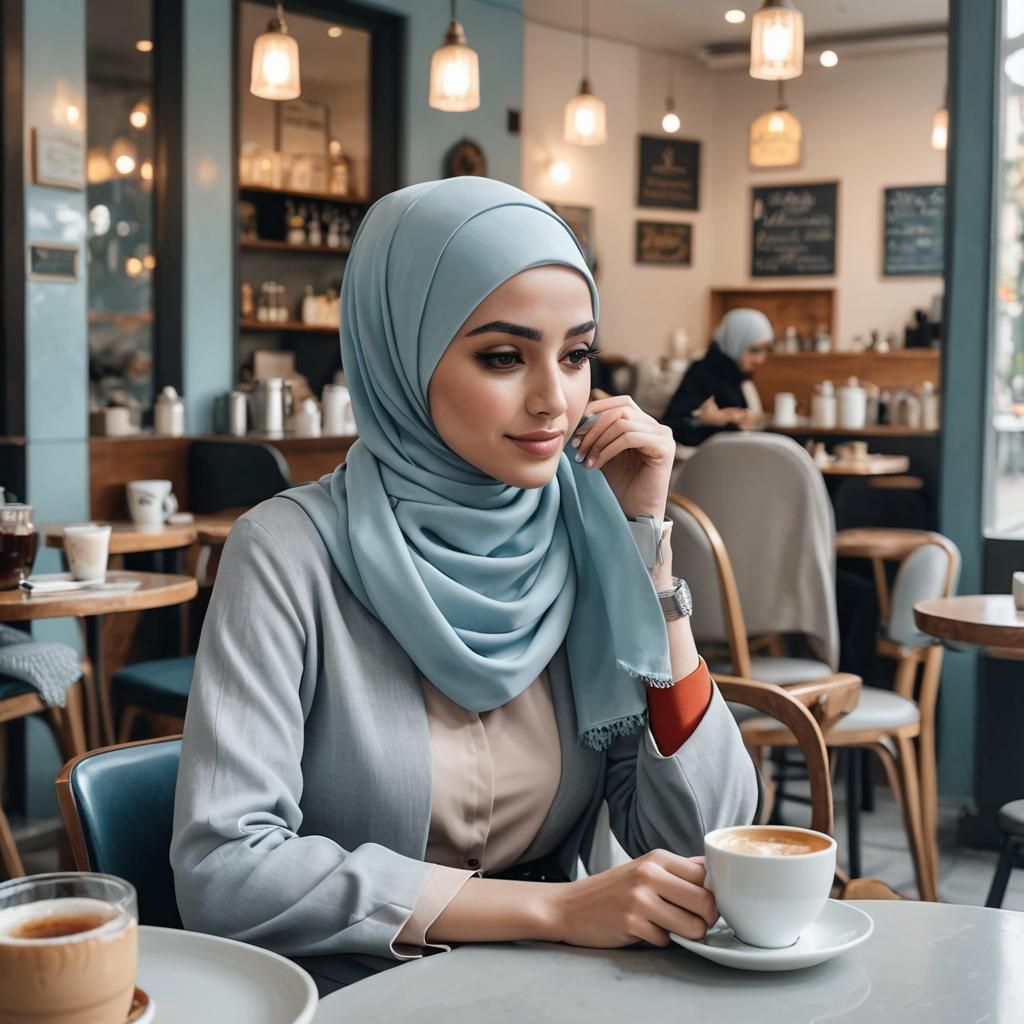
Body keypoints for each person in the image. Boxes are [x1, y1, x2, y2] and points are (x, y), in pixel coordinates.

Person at [170, 178, 758, 993]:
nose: (554, 400)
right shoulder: (286, 551)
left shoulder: (584, 532)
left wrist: (646, 560)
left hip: (554, 993)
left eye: (577, 355)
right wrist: (551, 909)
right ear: (402, 357)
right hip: (353, 992)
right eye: (504, 357)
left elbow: (706, 837)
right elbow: (225, 870)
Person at [662, 308, 773, 447]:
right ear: (735, 342)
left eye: (766, 350)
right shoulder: (702, 373)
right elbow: (673, 426)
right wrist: (706, 421)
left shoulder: (738, 376)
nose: (760, 359)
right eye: (754, 350)